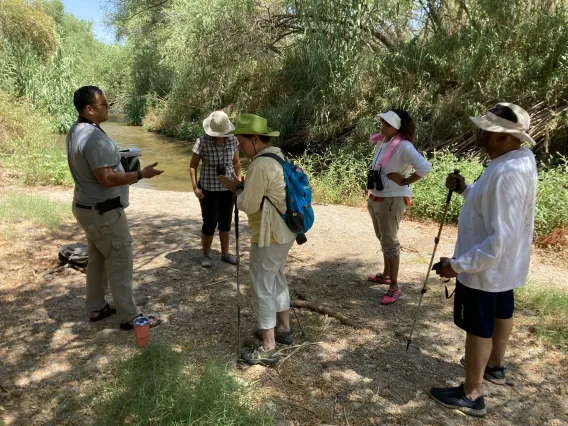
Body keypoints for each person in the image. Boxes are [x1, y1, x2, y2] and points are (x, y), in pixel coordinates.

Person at [430, 103, 538, 417]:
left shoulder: (506, 173)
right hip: (503, 272)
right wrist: (466, 189)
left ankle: (472, 394)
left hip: (485, 271)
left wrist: (457, 266)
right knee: (501, 313)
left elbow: (498, 240)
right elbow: (490, 203)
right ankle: (495, 366)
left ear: (502, 137)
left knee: (478, 327)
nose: (479, 133)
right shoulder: (519, 159)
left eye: (485, 130)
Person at [67, 86, 163, 330]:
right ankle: (130, 317)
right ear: (89, 109)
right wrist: (140, 174)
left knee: (98, 259)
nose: (108, 107)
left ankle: (96, 308)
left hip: (86, 208)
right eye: (104, 104)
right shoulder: (94, 136)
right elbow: (107, 178)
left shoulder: (76, 130)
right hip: (104, 212)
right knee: (120, 260)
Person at [220, 114, 296, 366]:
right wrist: (241, 187)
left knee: (262, 285)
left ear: (254, 139)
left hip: (269, 234)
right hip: (286, 231)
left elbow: (249, 205)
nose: (239, 148)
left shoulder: (260, 165)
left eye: (241, 142)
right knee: (276, 278)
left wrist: (236, 190)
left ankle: (268, 347)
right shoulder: (277, 155)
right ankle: (283, 330)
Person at [366, 109, 431, 304]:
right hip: (378, 196)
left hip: (392, 199)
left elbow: (425, 168)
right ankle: (386, 275)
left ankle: (394, 286)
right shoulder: (383, 142)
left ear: (398, 128)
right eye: (382, 122)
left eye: (388, 124)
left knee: (389, 241)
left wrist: (406, 181)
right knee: (383, 237)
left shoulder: (403, 146)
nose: (383, 126)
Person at [190, 111, 241, 268]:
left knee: (226, 222)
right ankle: (206, 255)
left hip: (228, 188)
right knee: (209, 222)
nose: (220, 136)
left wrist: (238, 182)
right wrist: (195, 188)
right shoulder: (202, 141)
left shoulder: (233, 140)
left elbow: (237, 163)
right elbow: (193, 165)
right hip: (208, 188)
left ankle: (225, 254)